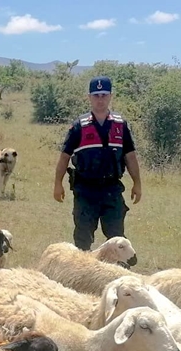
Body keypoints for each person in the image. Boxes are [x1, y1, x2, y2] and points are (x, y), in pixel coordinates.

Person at [53, 75, 142, 250]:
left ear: (110, 96)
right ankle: (81, 275)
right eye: (96, 95)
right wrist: (58, 184)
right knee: (83, 239)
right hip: (85, 191)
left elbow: (130, 156)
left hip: (112, 190)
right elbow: (64, 157)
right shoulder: (79, 126)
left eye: (104, 95)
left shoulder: (121, 125)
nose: (100, 99)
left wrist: (137, 183)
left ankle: (118, 271)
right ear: (89, 97)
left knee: (117, 240)